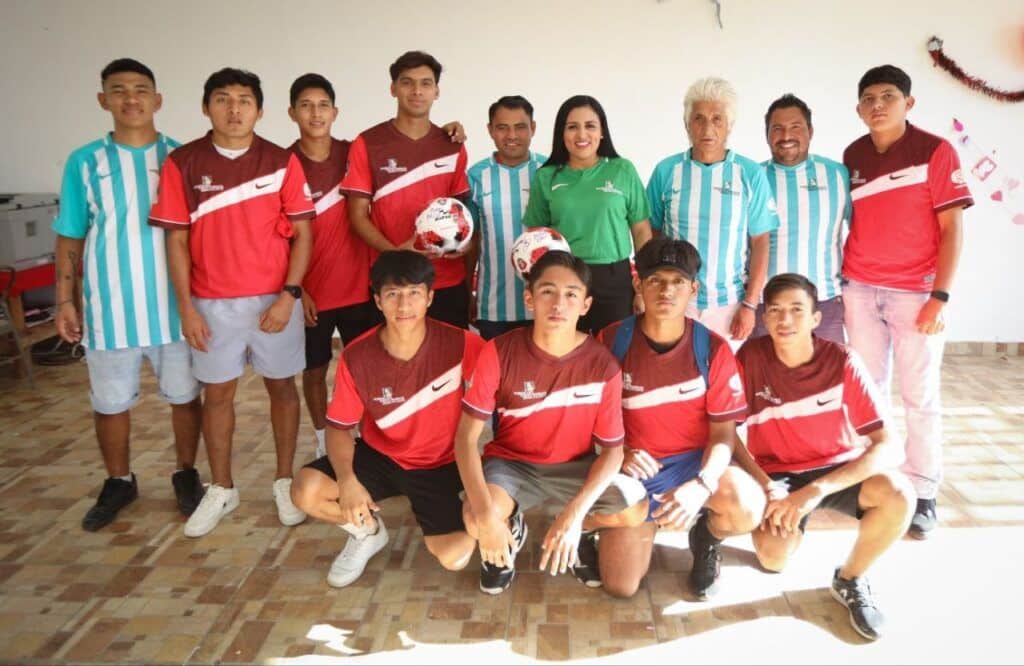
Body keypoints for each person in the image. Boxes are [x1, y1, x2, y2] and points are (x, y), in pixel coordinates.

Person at [150, 67, 314, 537]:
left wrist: (289, 295)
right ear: (206, 107)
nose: (234, 108)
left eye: (244, 100)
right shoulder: (183, 162)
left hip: (273, 302)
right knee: (217, 396)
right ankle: (222, 486)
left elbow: (304, 234)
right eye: (223, 99)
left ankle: (284, 480)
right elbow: (176, 243)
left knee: (283, 390)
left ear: (260, 110)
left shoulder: (281, 161)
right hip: (211, 305)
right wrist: (186, 307)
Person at [53, 58, 203, 532]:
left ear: (158, 100)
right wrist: (65, 299)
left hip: (174, 309)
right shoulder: (84, 162)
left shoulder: (181, 158)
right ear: (104, 100)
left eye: (141, 90)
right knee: (110, 402)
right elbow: (71, 235)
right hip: (110, 310)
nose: (131, 99)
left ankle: (186, 473)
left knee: (185, 396)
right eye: (119, 90)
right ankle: (119, 480)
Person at [732, 273, 914, 641]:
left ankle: (850, 577)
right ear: (764, 318)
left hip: (837, 469)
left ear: (816, 319)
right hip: (780, 477)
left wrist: (815, 492)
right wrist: (767, 486)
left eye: (797, 310)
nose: (785, 320)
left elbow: (890, 445)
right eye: (776, 311)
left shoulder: (843, 360)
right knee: (773, 559)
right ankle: (793, 524)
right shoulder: (749, 358)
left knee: (899, 494)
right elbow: (726, 435)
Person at [456, 250, 648, 595]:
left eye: (571, 294)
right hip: (513, 464)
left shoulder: (602, 365)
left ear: (585, 305)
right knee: (474, 520)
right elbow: (466, 440)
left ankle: (582, 532)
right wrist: (487, 518)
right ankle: (508, 527)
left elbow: (613, 452)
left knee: (635, 507)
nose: (559, 303)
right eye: (547, 291)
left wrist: (573, 517)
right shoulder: (498, 351)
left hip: (574, 466)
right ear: (530, 298)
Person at [290, 251, 484, 587]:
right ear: (378, 301)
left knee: (456, 556)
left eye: (413, 294)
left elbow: (504, 381)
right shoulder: (358, 355)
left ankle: (453, 509)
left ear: (430, 298)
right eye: (393, 295)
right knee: (306, 491)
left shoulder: (462, 343)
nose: (404, 305)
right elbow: (338, 427)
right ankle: (367, 533)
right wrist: (348, 480)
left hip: (440, 463)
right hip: (382, 457)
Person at [841, 65, 973, 538]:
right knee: (868, 393)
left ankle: (923, 489)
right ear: (859, 108)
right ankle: (872, 479)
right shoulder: (853, 155)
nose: (878, 105)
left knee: (920, 396)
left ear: (908, 103)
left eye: (889, 96)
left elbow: (953, 228)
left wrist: (940, 296)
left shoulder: (935, 151)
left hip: (916, 295)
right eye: (869, 98)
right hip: (858, 289)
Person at [596, 238, 765, 599]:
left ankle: (706, 535)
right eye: (655, 280)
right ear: (638, 284)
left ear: (694, 289)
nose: (666, 290)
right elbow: (591, 418)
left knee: (747, 507)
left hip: (693, 465)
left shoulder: (713, 349)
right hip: (637, 473)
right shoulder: (611, 341)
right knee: (621, 585)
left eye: (677, 281)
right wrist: (620, 452)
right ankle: (644, 524)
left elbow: (723, 434)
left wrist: (701, 485)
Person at [341, 51, 474, 328]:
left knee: (450, 365)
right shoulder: (368, 143)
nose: (416, 91)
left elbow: (462, 210)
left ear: (436, 91)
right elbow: (357, 216)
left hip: (445, 280)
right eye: (407, 82)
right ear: (393, 88)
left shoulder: (452, 145)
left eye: (426, 83)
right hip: (392, 279)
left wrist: (464, 244)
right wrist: (395, 254)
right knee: (392, 366)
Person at [647, 77, 779, 346]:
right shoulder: (666, 171)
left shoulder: (750, 174)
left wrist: (750, 305)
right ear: (686, 124)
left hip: (728, 305)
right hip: (676, 300)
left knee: (724, 383)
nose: (707, 127)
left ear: (729, 125)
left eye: (717, 119)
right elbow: (651, 235)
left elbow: (761, 242)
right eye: (699, 119)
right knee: (678, 380)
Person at [286, 73, 377, 458]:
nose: (315, 113)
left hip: (359, 286)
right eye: (306, 105)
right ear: (292, 113)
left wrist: (451, 131)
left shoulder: (355, 153)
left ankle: (371, 439)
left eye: (323, 105)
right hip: (313, 294)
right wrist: (297, 288)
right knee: (313, 370)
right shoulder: (282, 163)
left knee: (367, 367)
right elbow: (277, 235)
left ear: (335, 111)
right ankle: (325, 439)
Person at [522, 95, 652, 334]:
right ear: (562, 133)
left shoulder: (622, 170)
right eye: (572, 127)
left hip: (616, 279)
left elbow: (642, 230)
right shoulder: (547, 177)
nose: (582, 135)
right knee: (567, 353)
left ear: (602, 131)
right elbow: (535, 236)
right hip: (565, 278)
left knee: (615, 353)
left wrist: (643, 287)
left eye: (590, 126)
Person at [753, 94, 850, 343]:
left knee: (827, 378)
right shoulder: (753, 178)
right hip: (767, 305)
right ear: (767, 134)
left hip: (824, 304)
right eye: (777, 129)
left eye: (795, 127)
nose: (786, 136)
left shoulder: (837, 175)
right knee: (764, 380)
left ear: (810, 131)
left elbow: (861, 232)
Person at [467, 95, 547, 340]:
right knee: (496, 376)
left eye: (520, 127)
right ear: (490, 130)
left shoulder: (550, 171)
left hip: (544, 304)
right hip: (493, 307)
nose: (512, 135)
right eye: (502, 127)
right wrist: (466, 293)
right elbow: (472, 238)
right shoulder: (476, 175)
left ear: (533, 128)